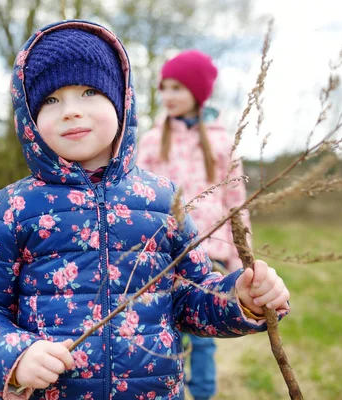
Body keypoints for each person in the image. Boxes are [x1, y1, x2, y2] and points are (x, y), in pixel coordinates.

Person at [0, 21, 290, 400]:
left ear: (121, 100)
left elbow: (189, 297)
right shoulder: (17, 206)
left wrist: (239, 297)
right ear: (28, 119)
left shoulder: (163, 201)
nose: (71, 112)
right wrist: (16, 355)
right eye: (51, 100)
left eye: (89, 91)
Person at [136, 50, 253, 400]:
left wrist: (240, 258)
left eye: (177, 88)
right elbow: (137, 195)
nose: (168, 96)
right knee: (163, 333)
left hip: (210, 254)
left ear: (198, 92)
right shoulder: (152, 140)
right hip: (162, 256)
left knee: (203, 344)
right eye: (164, 88)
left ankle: (202, 395)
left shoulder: (221, 142)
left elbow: (236, 204)